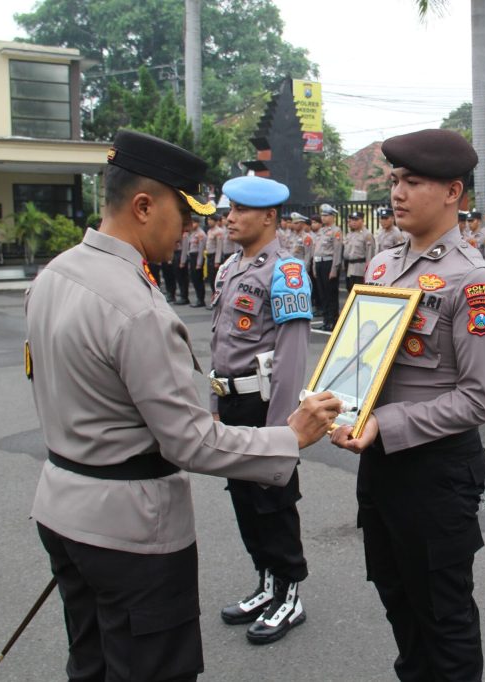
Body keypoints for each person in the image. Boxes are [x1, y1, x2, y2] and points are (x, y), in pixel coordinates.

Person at [24, 130, 339, 681]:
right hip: (128, 526)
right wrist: (289, 438)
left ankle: (283, 587)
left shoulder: (53, 275)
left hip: (63, 505)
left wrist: (272, 423)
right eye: (184, 213)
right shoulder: (135, 306)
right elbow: (187, 441)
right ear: (144, 206)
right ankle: (271, 582)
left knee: (93, 660)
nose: (196, 228)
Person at [330, 128, 485, 682]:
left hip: (436, 474)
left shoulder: (475, 283)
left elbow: (478, 400)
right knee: (398, 600)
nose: (398, 193)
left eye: (413, 181)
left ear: (454, 191)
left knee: (443, 616)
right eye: (394, 180)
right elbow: (361, 360)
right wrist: (338, 403)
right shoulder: (383, 266)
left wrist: (383, 423)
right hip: (380, 465)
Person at [210, 175, 314, 644]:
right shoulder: (231, 266)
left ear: (269, 217)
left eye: (240, 210)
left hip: (265, 403)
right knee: (243, 498)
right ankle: (266, 581)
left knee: (272, 500)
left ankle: (290, 594)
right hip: (232, 400)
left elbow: (292, 356)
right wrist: (214, 402)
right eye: (229, 209)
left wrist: (284, 432)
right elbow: (220, 343)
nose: (229, 217)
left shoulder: (286, 272)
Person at [313, 205, 343, 331]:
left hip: (328, 264)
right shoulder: (321, 231)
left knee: (331, 294)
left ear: (332, 217)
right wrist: (314, 266)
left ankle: (333, 321)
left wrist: (334, 269)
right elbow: (316, 250)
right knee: (323, 294)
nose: (323, 218)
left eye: (326, 215)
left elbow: (337, 251)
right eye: (322, 215)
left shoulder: (336, 231)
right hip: (319, 263)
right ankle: (326, 320)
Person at [343, 210, 375, 292]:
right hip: (349, 268)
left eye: (356, 220)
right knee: (350, 291)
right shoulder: (350, 234)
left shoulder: (367, 235)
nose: (354, 222)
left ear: (362, 221)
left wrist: (368, 271)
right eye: (352, 220)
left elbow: (370, 255)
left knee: (360, 292)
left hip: (360, 269)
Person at [182, 216, 207, 307]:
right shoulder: (193, 234)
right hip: (192, 257)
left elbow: (201, 250)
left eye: (194, 223)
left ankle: (201, 300)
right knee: (194, 279)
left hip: (197, 257)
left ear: (198, 223)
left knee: (198, 280)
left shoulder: (201, 234)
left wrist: (199, 263)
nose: (192, 225)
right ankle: (198, 298)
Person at [204, 212, 225, 301]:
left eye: (211, 220)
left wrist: (217, 261)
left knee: (215, 279)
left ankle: (217, 298)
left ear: (216, 221)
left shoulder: (219, 231)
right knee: (210, 278)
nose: (209, 221)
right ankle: (214, 296)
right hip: (209, 256)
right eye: (208, 220)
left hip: (215, 257)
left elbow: (219, 247)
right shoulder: (209, 231)